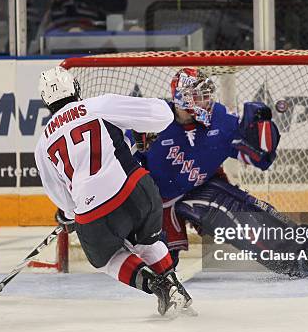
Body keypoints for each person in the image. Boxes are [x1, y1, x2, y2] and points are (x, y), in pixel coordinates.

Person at [35, 66, 194, 317]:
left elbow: (58, 192)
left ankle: (157, 286)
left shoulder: (42, 143)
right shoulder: (99, 105)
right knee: (148, 242)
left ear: (46, 102)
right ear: (76, 88)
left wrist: (68, 214)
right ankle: (175, 288)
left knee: (107, 259)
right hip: (138, 190)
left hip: (93, 212)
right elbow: (163, 115)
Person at [132, 68, 308, 278]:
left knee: (237, 211)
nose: (207, 101)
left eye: (208, 94)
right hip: (155, 201)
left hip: (199, 189)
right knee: (160, 269)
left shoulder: (221, 118)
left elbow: (259, 159)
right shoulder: (152, 119)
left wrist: (262, 136)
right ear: (182, 99)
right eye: (200, 96)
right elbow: (124, 160)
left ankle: (293, 252)